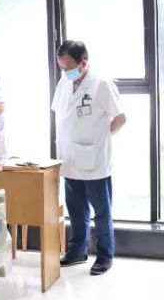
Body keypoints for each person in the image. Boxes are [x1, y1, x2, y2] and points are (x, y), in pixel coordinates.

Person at [52, 41, 127, 276]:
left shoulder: (101, 84)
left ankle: (105, 255)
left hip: (94, 158)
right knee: (75, 209)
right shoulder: (63, 83)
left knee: (101, 211)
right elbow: (61, 115)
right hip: (69, 157)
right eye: (62, 67)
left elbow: (120, 118)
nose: (65, 71)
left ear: (83, 63)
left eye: (69, 67)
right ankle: (77, 251)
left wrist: (103, 136)